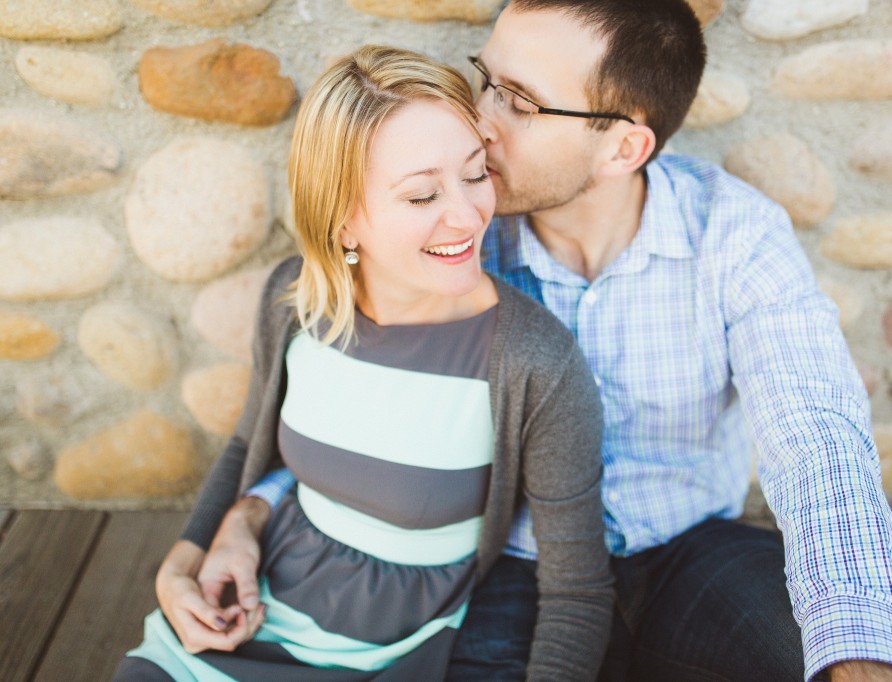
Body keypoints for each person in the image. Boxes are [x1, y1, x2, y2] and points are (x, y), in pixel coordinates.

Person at [207, 1, 892, 681]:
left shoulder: (733, 233)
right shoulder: (451, 235)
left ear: (624, 146)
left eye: (519, 101)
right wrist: (243, 514)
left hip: (688, 552)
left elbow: (818, 439)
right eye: (485, 81)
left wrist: (860, 646)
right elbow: (363, 399)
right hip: (512, 567)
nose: (480, 122)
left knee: (877, 660)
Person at [112, 44, 613, 682]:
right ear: (345, 218)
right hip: (242, 622)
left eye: (475, 172)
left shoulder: (533, 363)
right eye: (420, 195)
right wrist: (183, 564)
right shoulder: (293, 301)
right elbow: (247, 447)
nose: (467, 215)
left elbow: (577, 594)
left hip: (401, 658)